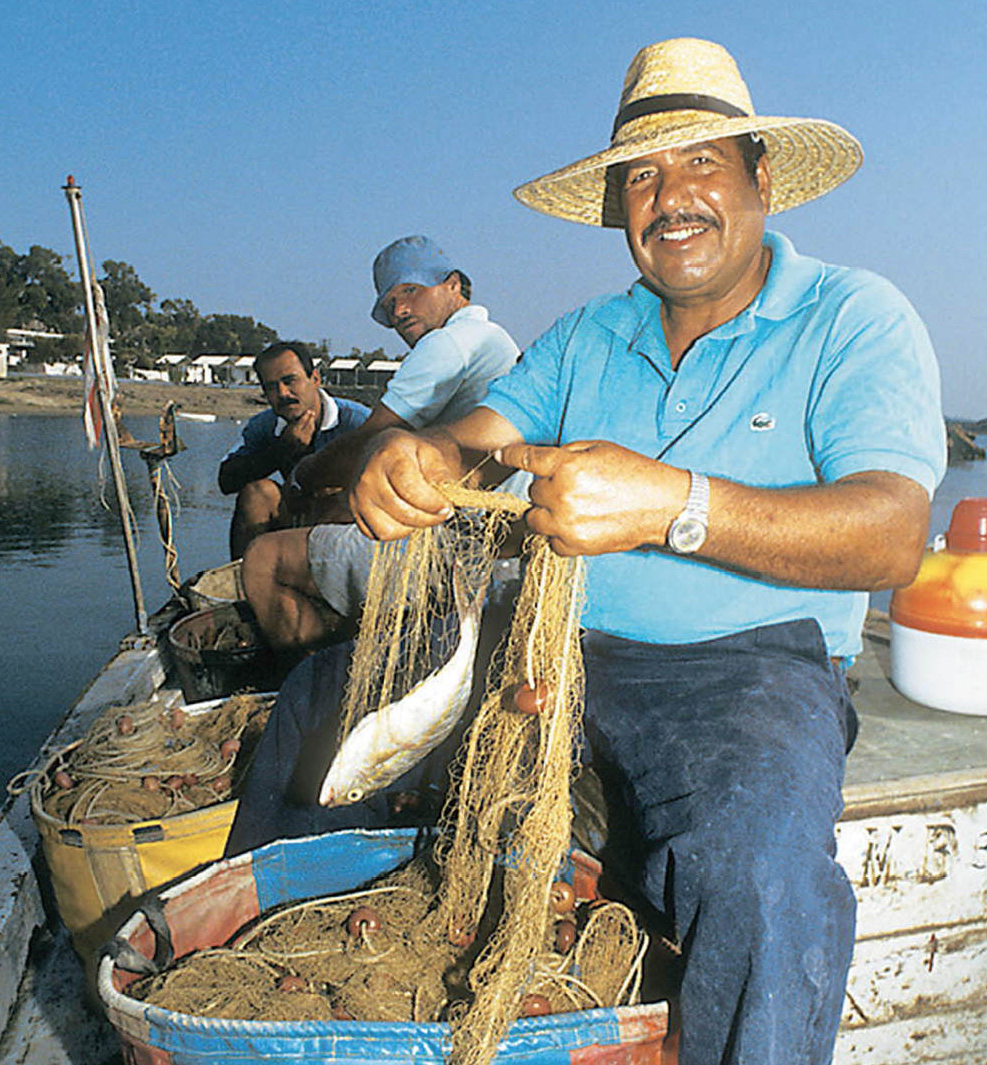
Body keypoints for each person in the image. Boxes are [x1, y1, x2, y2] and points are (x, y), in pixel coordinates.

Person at [347, 38, 946, 1065]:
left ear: (763, 177)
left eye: (701, 163)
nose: (670, 198)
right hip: (551, 651)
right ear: (620, 206)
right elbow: (479, 441)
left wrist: (675, 504)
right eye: (641, 177)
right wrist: (411, 456)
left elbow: (891, 533)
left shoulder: (852, 317)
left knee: (756, 874)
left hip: (747, 669)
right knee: (326, 723)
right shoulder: (586, 335)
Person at [241, 235, 520, 653]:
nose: (400, 310)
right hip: (487, 533)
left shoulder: (448, 344)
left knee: (264, 559)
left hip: (461, 545)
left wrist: (302, 474)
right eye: (389, 304)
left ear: (453, 286)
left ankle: (311, 691)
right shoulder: (494, 339)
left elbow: (369, 441)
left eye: (410, 291)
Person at [218, 341, 369, 559]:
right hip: (295, 515)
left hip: (347, 525)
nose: (282, 393)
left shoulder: (357, 422)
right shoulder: (265, 425)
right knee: (259, 494)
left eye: (290, 381)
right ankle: (242, 582)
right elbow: (226, 481)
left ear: (315, 379)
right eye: (271, 387)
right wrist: (283, 448)